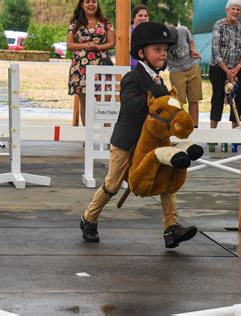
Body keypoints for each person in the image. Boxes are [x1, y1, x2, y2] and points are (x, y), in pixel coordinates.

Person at [80, 21, 198, 248]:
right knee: (112, 185)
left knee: (165, 179)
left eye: (165, 50)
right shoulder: (132, 78)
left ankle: (171, 228)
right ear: (142, 53)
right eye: (157, 50)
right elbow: (129, 104)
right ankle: (89, 218)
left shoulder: (160, 82)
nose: (163, 54)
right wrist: (153, 96)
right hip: (126, 142)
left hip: (151, 143)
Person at [67, 0, 115, 126]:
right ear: (82, 5)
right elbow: (69, 45)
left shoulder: (106, 22)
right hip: (81, 67)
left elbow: (112, 43)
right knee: (85, 102)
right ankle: (88, 136)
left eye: (94, 1)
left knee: (104, 100)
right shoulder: (75, 23)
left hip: (101, 64)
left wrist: (98, 47)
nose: (91, 4)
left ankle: (104, 136)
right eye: (87, 2)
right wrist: (85, 45)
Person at [209, 0, 241, 130]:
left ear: (240, 12)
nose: (235, 12)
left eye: (238, 10)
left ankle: (235, 132)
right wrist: (227, 71)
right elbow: (215, 49)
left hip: (238, 69)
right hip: (219, 69)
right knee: (217, 98)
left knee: (237, 98)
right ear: (227, 10)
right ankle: (212, 133)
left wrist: (237, 68)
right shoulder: (218, 25)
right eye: (233, 9)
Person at [167, 25, 202, 127]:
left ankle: (194, 126)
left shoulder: (183, 30)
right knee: (178, 102)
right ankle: (179, 127)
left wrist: (192, 50)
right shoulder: (162, 40)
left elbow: (190, 41)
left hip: (192, 67)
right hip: (176, 72)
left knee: (194, 99)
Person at [130, 4, 149, 70]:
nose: (143, 18)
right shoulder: (127, 32)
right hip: (130, 67)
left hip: (146, 68)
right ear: (134, 17)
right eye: (140, 15)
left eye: (146, 16)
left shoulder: (149, 33)